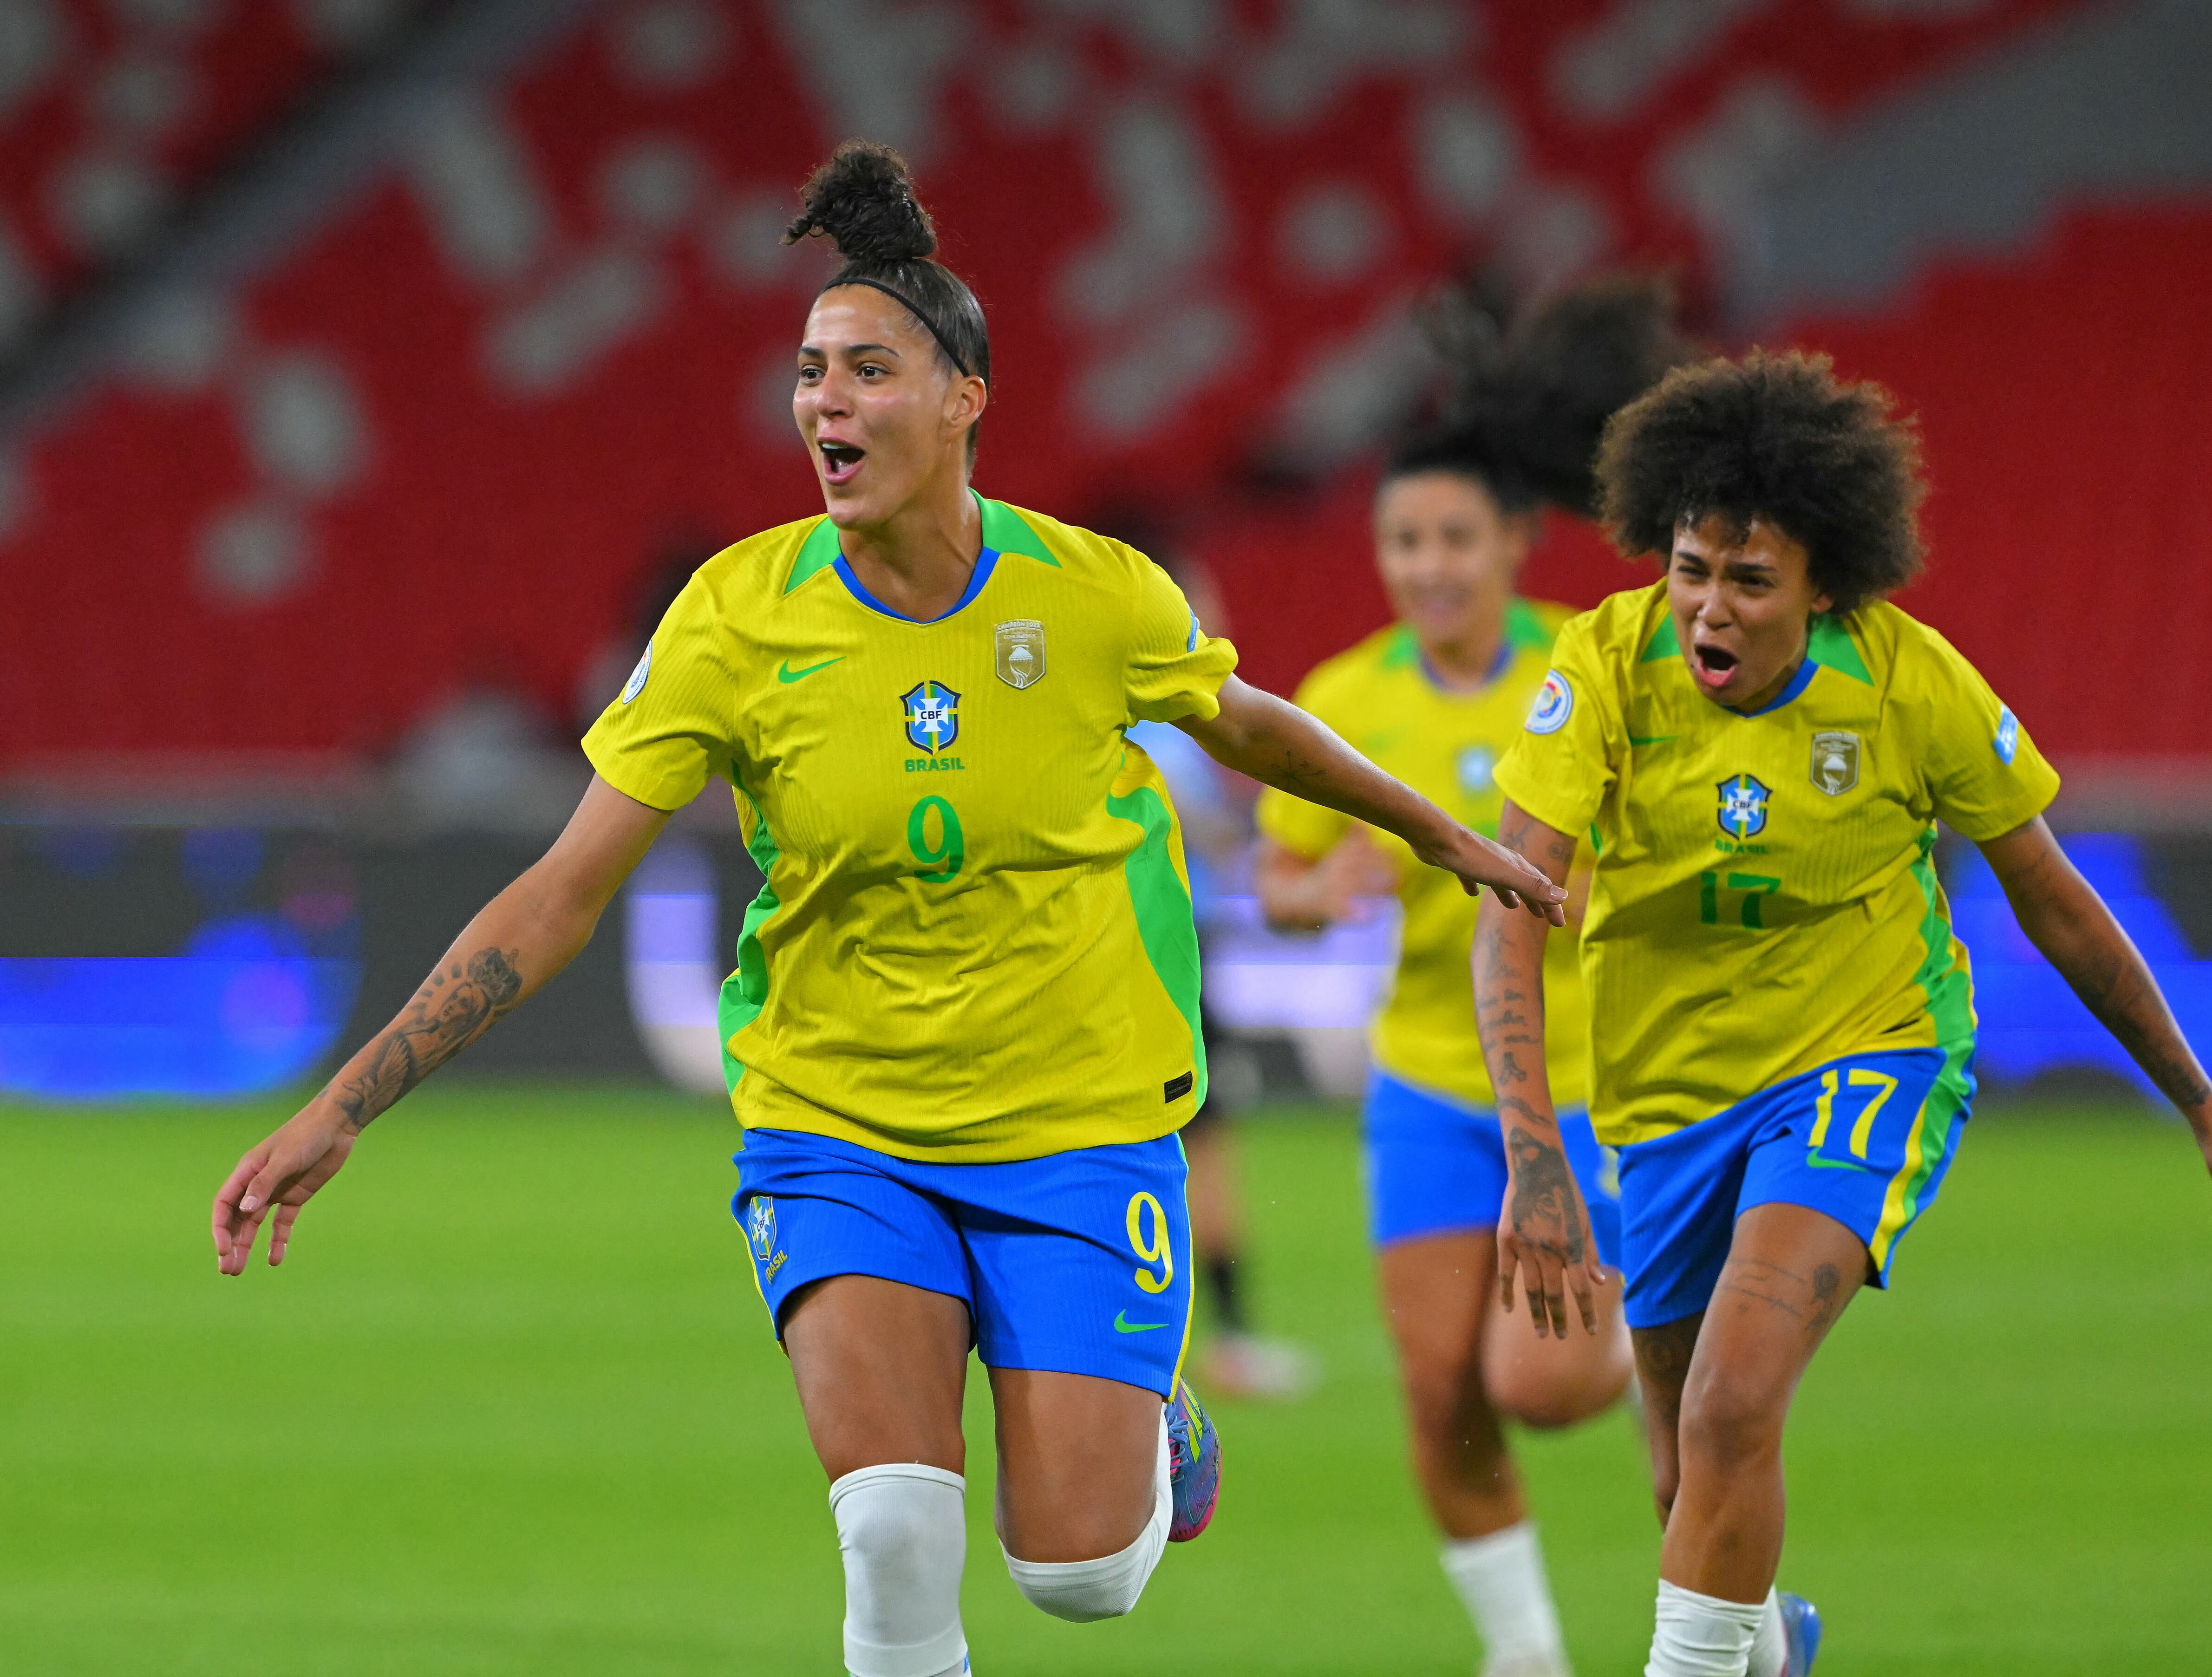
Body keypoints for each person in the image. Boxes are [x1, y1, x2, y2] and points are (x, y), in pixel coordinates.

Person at [209, 140, 1563, 1677]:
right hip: (839, 1126)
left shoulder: (1092, 594)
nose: (826, 403)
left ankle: (1153, 1424)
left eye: (867, 370)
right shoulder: (734, 618)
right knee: (896, 1537)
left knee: (1080, 1579)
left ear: (963, 400)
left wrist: (1438, 832)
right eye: (809, 373)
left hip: (1074, 1121)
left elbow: (1247, 723)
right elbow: (561, 891)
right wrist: (346, 1102)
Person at [1475, 349, 2212, 1677]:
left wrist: (2204, 1110)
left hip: (1865, 1056)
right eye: (1690, 569)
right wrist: (1534, 1155)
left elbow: (2057, 903)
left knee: (1734, 1403)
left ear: (1826, 586)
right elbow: (1512, 908)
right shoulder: (1606, 664)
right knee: (1686, 1468)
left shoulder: (1910, 685)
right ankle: (1769, 1645)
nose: (1708, 608)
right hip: (1662, 1100)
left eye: (1751, 581)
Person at [1254, 276, 1694, 1677]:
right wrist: (1318, 892)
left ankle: (1652, 1354)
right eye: (1402, 540)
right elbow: (1276, 881)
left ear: (1514, 539)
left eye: (1453, 537)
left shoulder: (1591, 663)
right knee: (1442, 1389)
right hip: (1431, 1087)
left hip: (1594, 1090)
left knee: (1541, 1386)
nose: (1427, 565)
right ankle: (1527, 1654)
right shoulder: (1346, 699)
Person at [1121, 537, 1320, 1403]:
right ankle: (1223, 1343)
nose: (1216, 622)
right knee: (1200, 1150)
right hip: (1161, 963)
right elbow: (1197, 831)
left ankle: (1130, 1345)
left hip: (1128, 960)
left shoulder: (1118, 719)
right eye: (1198, 604)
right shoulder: (1167, 729)